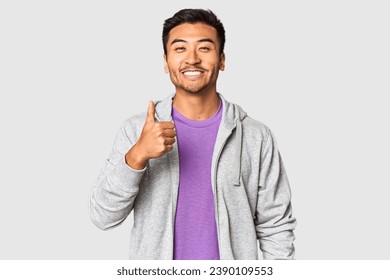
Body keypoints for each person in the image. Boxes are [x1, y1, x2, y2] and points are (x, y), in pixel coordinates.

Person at [89, 8, 296, 260]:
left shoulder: (256, 136)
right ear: (166, 62)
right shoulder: (137, 131)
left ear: (222, 59)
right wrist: (138, 155)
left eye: (204, 48)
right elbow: (103, 216)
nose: (192, 59)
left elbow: (276, 227)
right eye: (180, 48)